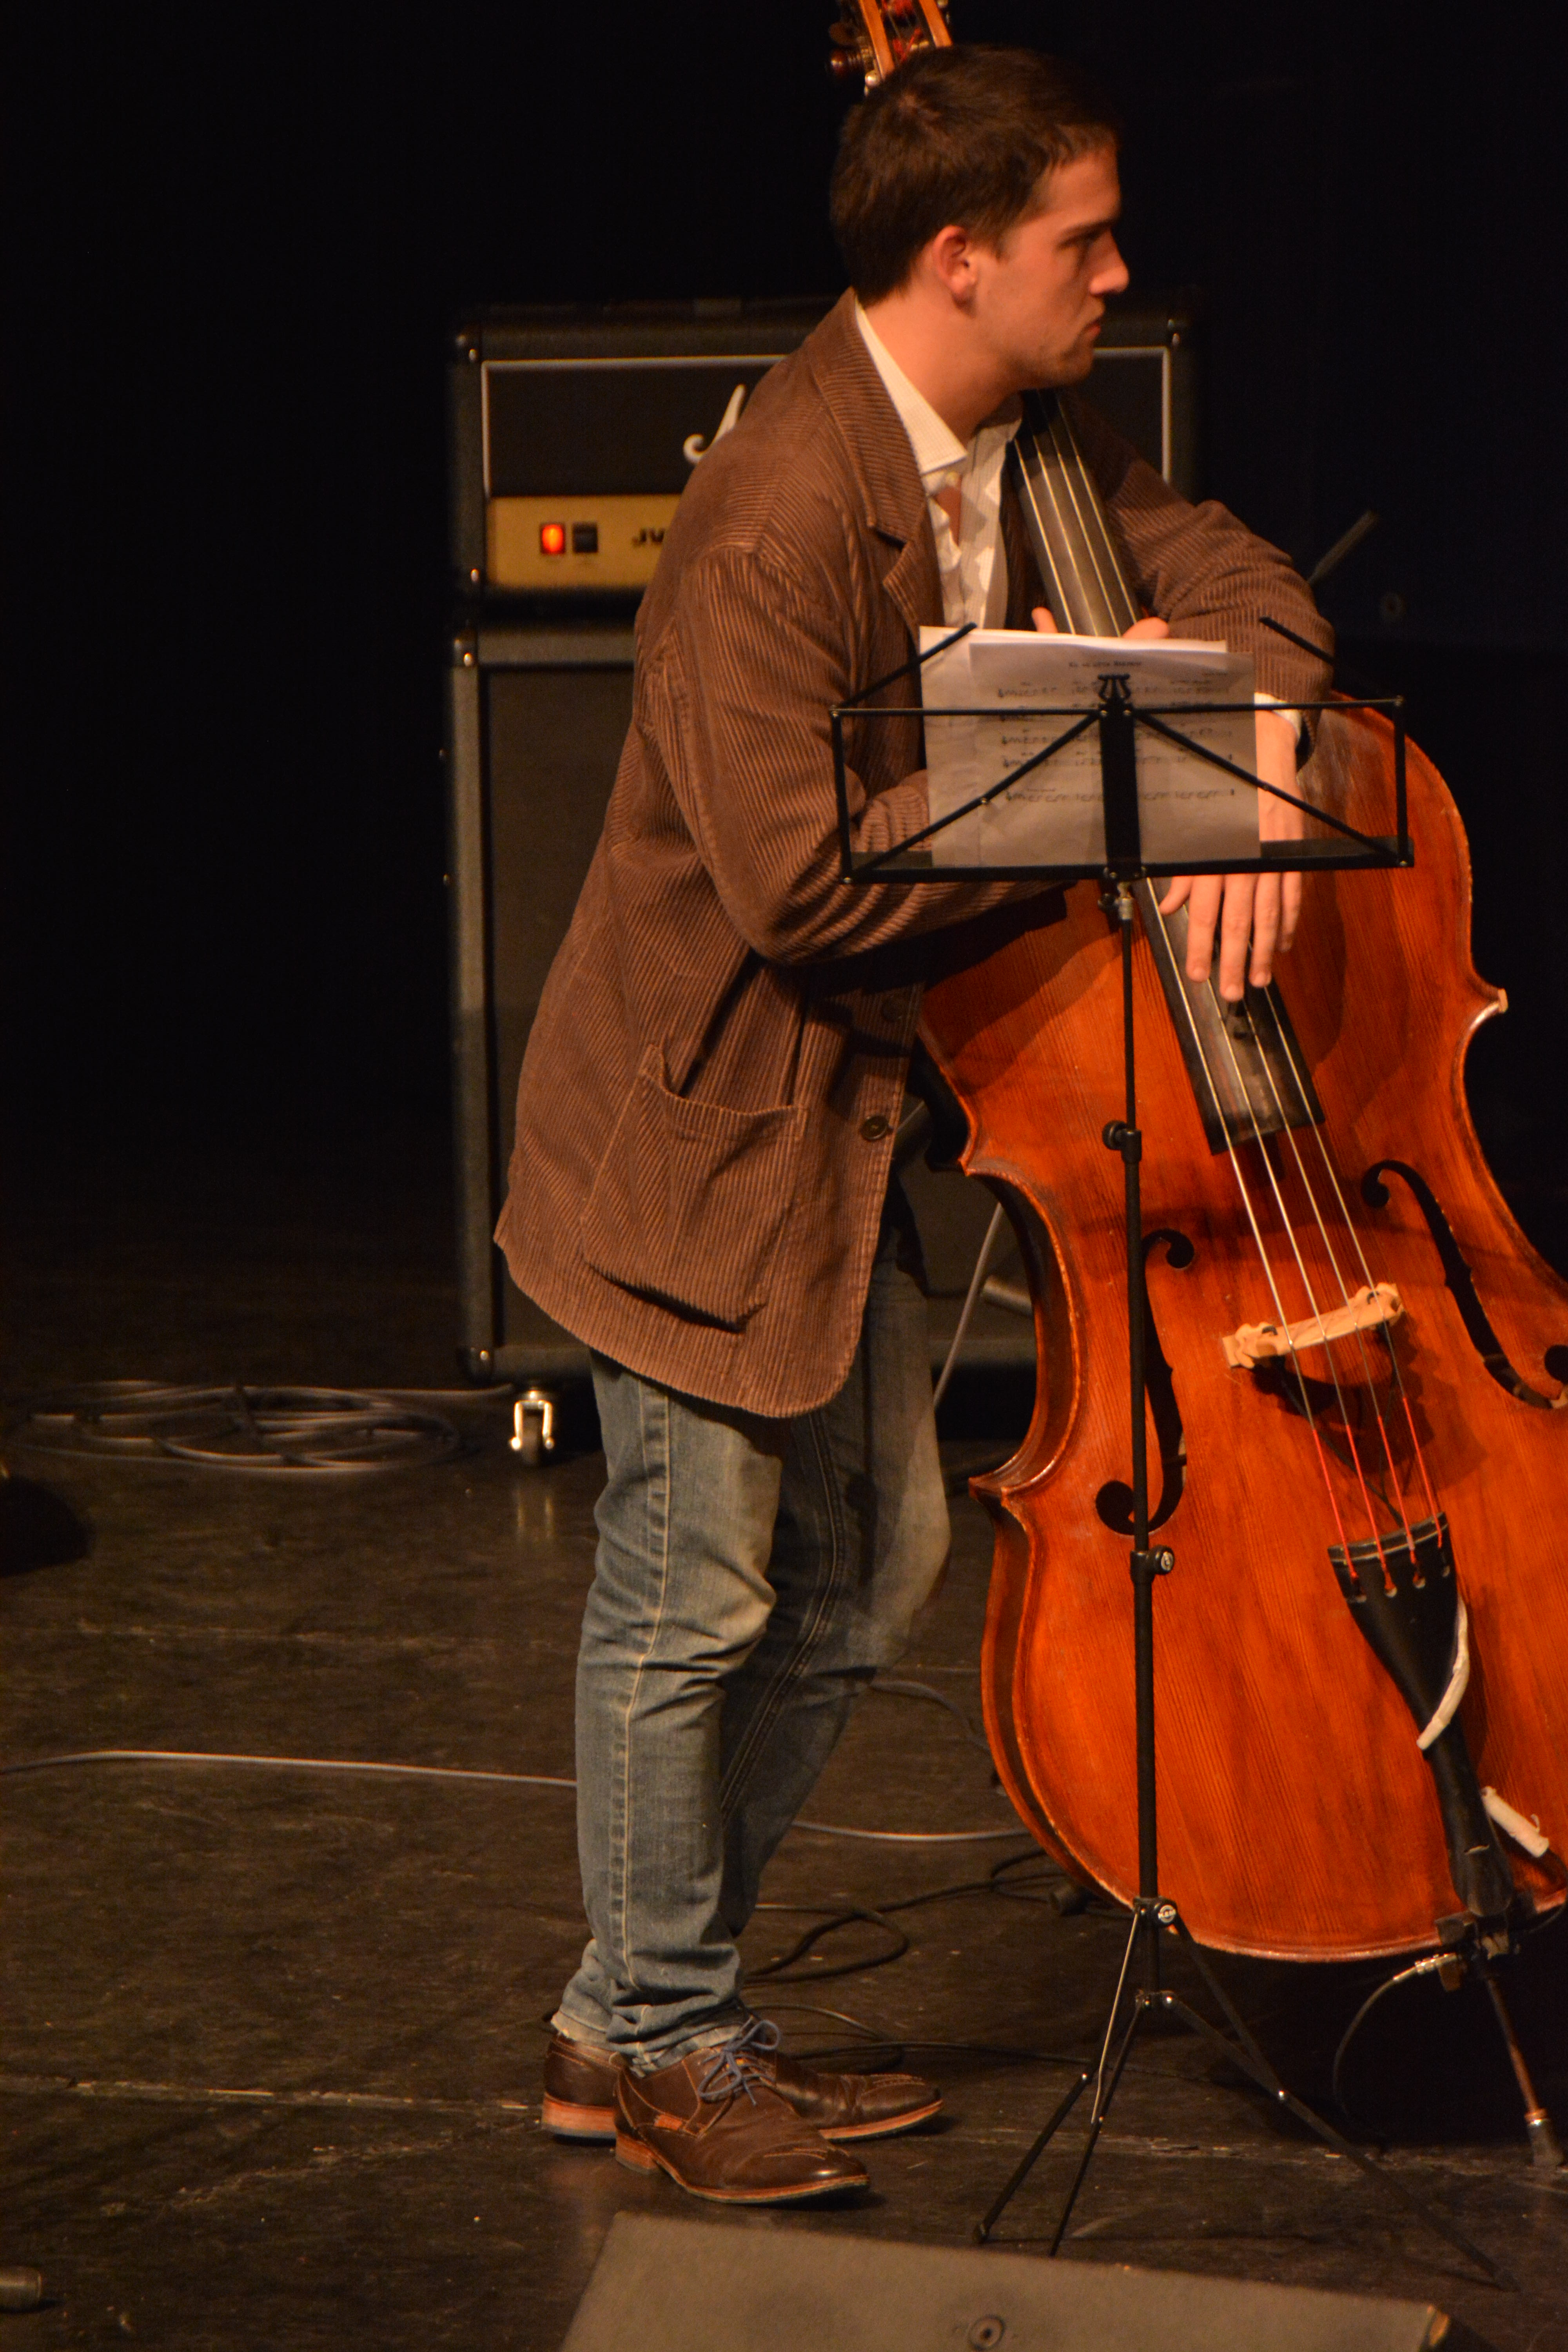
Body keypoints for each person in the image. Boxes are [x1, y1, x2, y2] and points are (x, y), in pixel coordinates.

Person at [498, 43, 1331, 2205]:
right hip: (698, 1131)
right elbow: (796, 885)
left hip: (853, 1125)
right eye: (1084, 241)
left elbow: (1250, 582)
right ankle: (669, 2040)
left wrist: (1244, 735)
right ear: (962, 259)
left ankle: (625, 2020)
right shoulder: (774, 514)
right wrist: (1076, 783)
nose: (1119, 275)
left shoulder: (1034, 438)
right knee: (691, 1599)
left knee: (873, 1578)